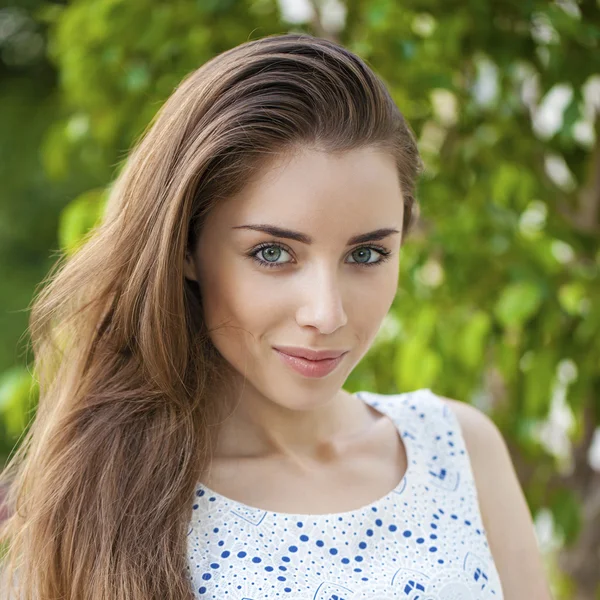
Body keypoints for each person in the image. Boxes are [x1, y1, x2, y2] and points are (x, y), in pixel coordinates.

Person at [0, 33, 552, 600]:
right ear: (186, 248)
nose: (326, 313)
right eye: (272, 253)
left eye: (366, 255)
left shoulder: (457, 449)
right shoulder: (92, 501)